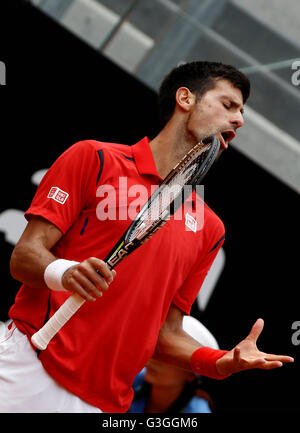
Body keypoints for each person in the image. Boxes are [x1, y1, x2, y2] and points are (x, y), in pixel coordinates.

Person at [1, 61, 293, 413]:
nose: (239, 121)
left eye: (241, 112)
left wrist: (220, 363)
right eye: (228, 105)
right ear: (185, 98)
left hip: (106, 404)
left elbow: (164, 334)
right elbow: (25, 256)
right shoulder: (93, 158)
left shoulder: (210, 229)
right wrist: (65, 273)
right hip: (28, 366)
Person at [128, 315, 218, 413]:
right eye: (157, 350)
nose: (154, 359)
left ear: (191, 375)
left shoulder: (198, 411)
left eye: (169, 358)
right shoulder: (134, 378)